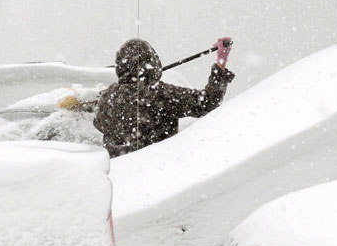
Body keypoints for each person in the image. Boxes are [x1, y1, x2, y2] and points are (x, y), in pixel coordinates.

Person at [94, 37, 235, 157]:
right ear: (153, 63)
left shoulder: (108, 96)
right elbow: (207, 102)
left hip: (119, 177)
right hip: (158, 174)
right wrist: (221, 61)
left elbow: (99, 123)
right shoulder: (159, 94)